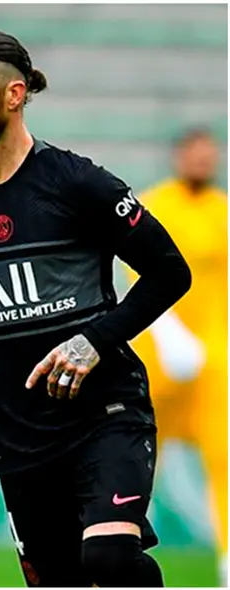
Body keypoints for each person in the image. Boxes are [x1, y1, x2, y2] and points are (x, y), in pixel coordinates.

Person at [0, 30, 191, 587]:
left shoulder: (77, 183)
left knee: (111, 560)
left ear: (15, 95)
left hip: (106, 416)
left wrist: (93, 341)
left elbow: (170, 272)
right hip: (19, 441)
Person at [125, 128, 227, 585]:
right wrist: (167, 333)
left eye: (211, 155)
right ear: (179, 156)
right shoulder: (155, 206)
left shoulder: (223, 212)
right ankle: (119, 548)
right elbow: (136, 273)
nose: (204, 162)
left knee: (223, 455)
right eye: (197, 154)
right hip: (157, 355)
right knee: (136, 454)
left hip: (213, 359)